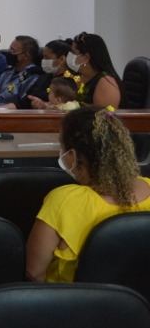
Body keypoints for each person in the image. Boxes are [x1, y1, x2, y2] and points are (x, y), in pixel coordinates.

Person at [26, 105, 150, 283]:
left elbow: (34, 273)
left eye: (62, 145)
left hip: (71, 308)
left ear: (74, 155)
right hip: (139, 307)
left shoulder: (65, 201)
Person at [0, 35, 42, 109]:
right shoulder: (8, 72)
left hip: (8, 115)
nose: (9, 53)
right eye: (9, 49)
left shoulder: (32, 76)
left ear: (26, 56)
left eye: (13, 50)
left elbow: (22, 106)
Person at [69, 32, 123, 108]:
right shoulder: (80, 75)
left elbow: (102, 117)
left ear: (86, 57)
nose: (71, 56)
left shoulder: (106, 82)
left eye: (74, 53)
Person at [26, 39, 74, 107]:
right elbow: (25, 100)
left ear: (62, 59)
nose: (43, 60)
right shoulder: (44, 77)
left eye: (47, 57)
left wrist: (44, 105)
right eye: (43, 57)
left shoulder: (70, 81)